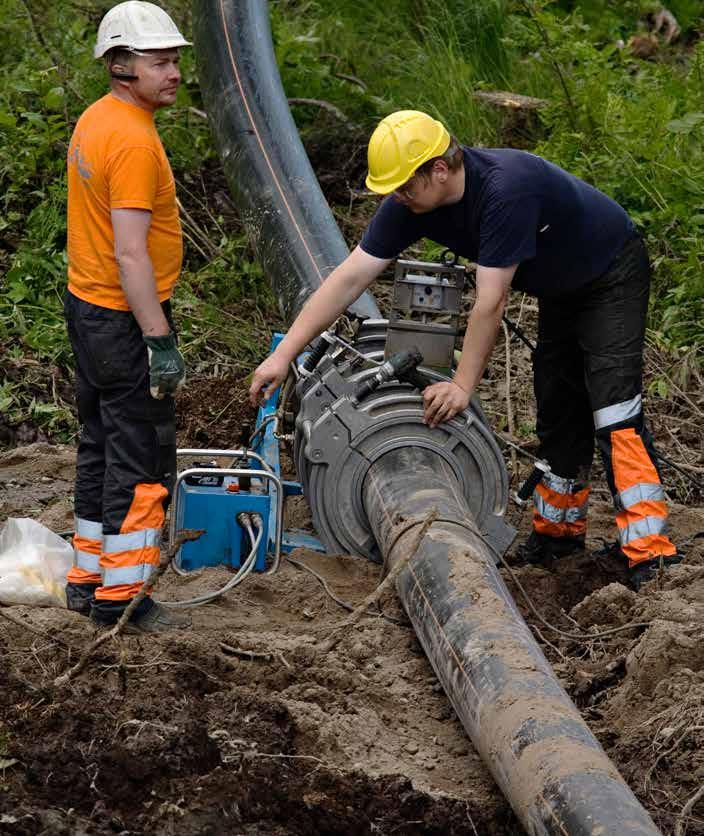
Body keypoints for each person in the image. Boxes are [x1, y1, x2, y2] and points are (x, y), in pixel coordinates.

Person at [250, 109, 681, 590]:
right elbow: (351, 277)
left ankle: (650, 554)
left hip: (611, 273)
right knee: (559, 408)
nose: (398, 197)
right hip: (561, 288)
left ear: (438, 168)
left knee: (613, 409)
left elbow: (490, 302)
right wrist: (284, 354)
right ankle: (558, 536)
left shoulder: (504, 191)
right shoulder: (412, 202)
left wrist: (462, 385)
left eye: (405, 186)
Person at [64, 0, 190, 632]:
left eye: (175, 60)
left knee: (99, 442)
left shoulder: (97, 119)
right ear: (120, 65)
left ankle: (87, 578)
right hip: (121, 318)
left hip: (87, 308)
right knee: (138, 456)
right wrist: (158, 339)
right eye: (160, 61)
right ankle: (125, 597)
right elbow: (131, 251)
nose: (172, 72)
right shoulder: (134, 141)